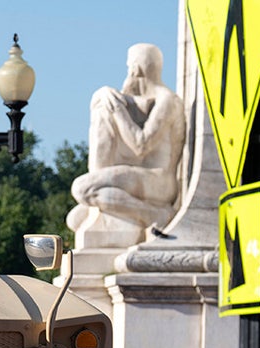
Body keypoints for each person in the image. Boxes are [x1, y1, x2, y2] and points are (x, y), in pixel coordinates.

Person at [68, 43, 184, 240]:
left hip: (159, 181)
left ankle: (156, 215)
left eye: (129, 66)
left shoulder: (167, 100)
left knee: (82, 188)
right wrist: (102, 95)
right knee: (74, 218)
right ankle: (146, 212)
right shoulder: (151, 98)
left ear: (136, 68)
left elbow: (141, 145)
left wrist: (117, 110)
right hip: (143, 179)